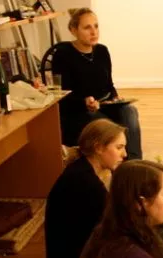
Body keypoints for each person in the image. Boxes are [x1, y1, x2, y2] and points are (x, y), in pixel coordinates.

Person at [45, 119, 163, 258]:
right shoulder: (85, 183)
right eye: (119, 147)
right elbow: (126, 222)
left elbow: (131, 179)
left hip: (88, 256)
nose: (124, 154)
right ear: (99, 147)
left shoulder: (90, 169)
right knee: (161, 233)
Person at [52, 7, 142, 159]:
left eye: (96, 26)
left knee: (129, 111)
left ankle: (133, 162)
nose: (94, 32)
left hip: (104, 106)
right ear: (73, 30)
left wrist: (115, 99)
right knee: (108, 126)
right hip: (78, 112)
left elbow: (109, 85)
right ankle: (122, 162)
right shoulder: (63, 54)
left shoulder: (102, 51)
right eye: (87, 27)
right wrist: (84, 102)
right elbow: (60, 95)